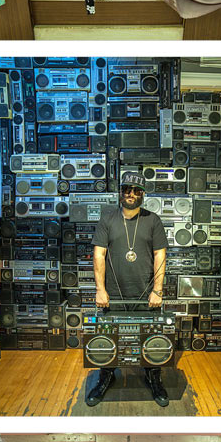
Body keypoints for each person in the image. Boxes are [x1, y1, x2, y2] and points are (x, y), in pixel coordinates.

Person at [86, 175, 169, 410]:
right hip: (114, 293)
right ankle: (106, 376)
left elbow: (160, 255)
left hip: (145, 293)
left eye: (136, 190)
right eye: (126, 189)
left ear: (143, 194)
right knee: (108, 337)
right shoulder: (108, 219)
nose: (131, 194)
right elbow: (98, 254)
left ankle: (154, 377)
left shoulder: (153, 220)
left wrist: (158, 290)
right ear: (120, 192)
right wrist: (100, 290)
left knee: (151, 338)